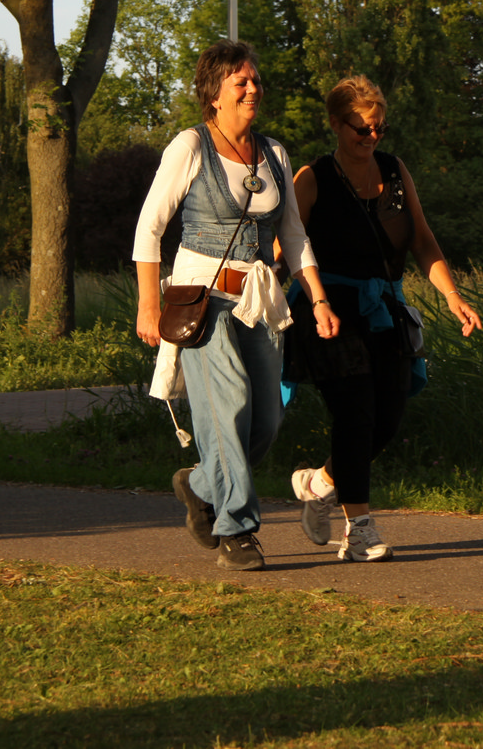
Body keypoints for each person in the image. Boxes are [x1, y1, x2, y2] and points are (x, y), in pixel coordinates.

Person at [135, 39, 340, 572]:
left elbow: (293, 234)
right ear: (214, 93)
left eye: (255, 80)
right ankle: (237, 530)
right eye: (240, 82)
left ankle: (200, 484)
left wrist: (318, 298)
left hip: (258, 301)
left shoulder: (274, 154)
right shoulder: (190, 145)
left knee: (266, 418)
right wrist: (147, 305)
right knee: (227, 408)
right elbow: (149, 227)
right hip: (203, 301)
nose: (253, 89)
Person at [286, 75, 482, 562]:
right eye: (362, 128)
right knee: (355, 412)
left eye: (379, 128)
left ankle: (319, 483)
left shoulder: (394, 171)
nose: (372, 136)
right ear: (336, 124)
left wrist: (452, 296)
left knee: (387, 419)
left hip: (385, 309)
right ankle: (359, 531)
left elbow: (421, 238)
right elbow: (286, 245)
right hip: (329, 310)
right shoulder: (312, 178)